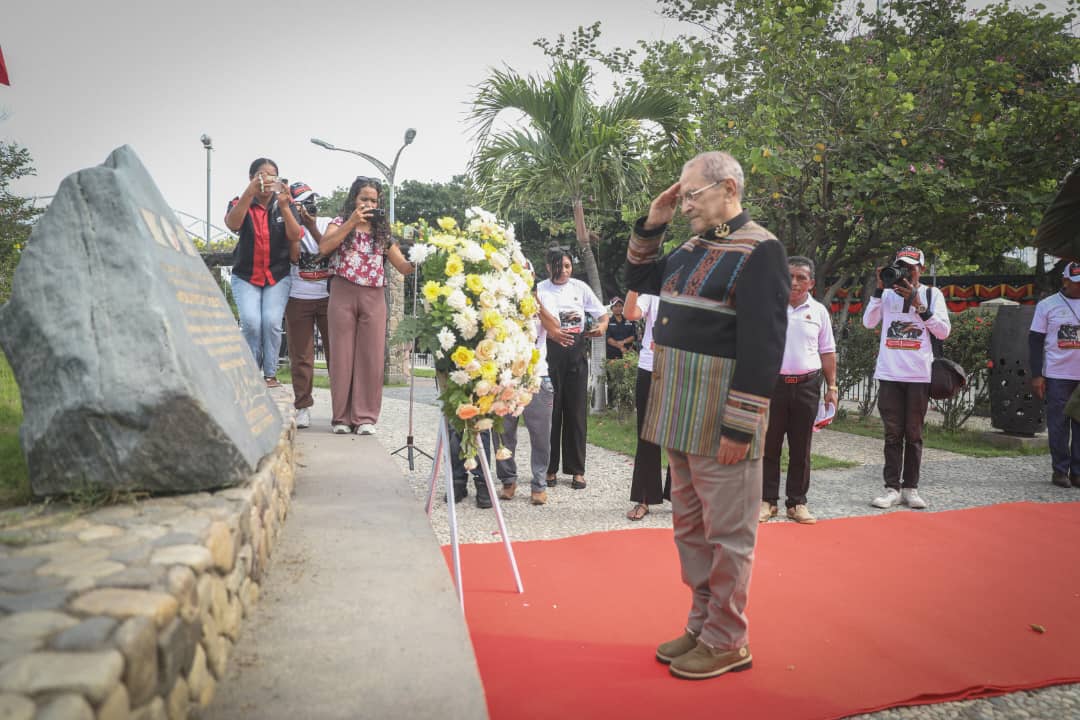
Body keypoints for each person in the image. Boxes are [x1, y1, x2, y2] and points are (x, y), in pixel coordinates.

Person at [625, 151, 789, 680]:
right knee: (690, 529)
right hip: (678, 408)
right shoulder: (694, 245)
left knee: (729, 535)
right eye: (683, 194)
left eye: (692, 194)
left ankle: (728, 639)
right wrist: (654, 221)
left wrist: (742, 424)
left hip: (721, 415)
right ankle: (701, 625)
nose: (686, 203)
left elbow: (765, 344)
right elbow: (639, 280)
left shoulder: (761, 249)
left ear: (729, 189)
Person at [318, 177, 414, 435]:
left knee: (370, 357)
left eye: (373, 200)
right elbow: (324, 247)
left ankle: (365, 418)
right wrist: (352, 221)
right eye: (364, 199)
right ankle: (341, 418)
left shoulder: (382, 232)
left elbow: (402, 266)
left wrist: (420, 258)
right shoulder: (338, 224)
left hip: (373, 294)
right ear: (354, 199)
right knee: (342, 355)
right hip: (343, 291)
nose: (369, 204)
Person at [861, 245, 951, 509]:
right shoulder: (886, 295)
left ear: (920, 269)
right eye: (901, 265)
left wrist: (919, 306)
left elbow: (944, 331)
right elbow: (868, 322)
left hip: (918, 375)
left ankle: (911, 487)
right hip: (890, 373)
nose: (906, 272)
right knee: (892, 434)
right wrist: (879, 290)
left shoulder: (932, 294)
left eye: (911, 267)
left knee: (913, 434)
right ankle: (891, 488)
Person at [760, 256, 838, 525]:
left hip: (807, 387)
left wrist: (832, 386)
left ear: (811, 283)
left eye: (801, 277)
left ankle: (797, 503)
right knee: (769, 446)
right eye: (789, 275)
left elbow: (827, 351)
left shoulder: (818, 312)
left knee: (801, 448)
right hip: (773, 386)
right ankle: (767, 501)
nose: (794, 282)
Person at [224, 158, 302, 387]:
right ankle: (250, 373)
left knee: (271, 322)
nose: (267, 179)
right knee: (250, 322)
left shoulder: (283, 204)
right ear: (252, 178)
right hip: (246, 275)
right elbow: (233, 224)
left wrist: (286, 206)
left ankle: (269, 374)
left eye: (272, 175)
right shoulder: (239, 202)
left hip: (277, 275)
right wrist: (249, 192)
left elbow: (296, 235)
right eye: (262, 175)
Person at [536, 248, 609, 489]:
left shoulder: (580, 287)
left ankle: (577, 470)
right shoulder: (540, 290)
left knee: (576, 413)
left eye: (567, 266)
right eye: (559, 267)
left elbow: (602, 314)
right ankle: (549, 469)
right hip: (549, 354)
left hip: (576, 353)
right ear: (548, 267)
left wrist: (601, 327)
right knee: (551, 413)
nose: (564, 271)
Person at [496, 290, 560, 506]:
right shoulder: (502, 298)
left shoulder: (544, 299)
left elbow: (554, 329)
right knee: (504, 434)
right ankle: (508, 480)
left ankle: (539, 483)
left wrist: (536, 301)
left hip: (537, 376)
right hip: (507, 377)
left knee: (541, 435)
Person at [1028, 261, 1080, 488]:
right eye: (1076, 282)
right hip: (1058, 374)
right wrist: (1037, 374)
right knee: (1058, 424)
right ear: (1065, 281)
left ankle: (1077, 472)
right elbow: (1035, 341)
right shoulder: (1047, 305)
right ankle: (1060, 470)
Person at [284, 181, 330, 430]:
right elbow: (292, 256)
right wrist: (295, 223)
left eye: (312, 200)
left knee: (337, 355)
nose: (310, 206)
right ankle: (302, 406)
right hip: (298, 296)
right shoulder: (287, 224)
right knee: (301, 356)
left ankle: (343, 409)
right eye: (303, 202)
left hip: (327, 297)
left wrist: (311, 225)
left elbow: (328, 248)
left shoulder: (328, 222)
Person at [622, 290, 671, 521]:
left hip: (682, 370)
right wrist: (634, 285)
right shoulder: (653, 293)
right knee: (647, 435)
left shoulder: (695, 291)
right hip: (650, 368)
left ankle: (681, 497)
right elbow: (630, 313)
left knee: (681, 436)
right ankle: (644, 498)